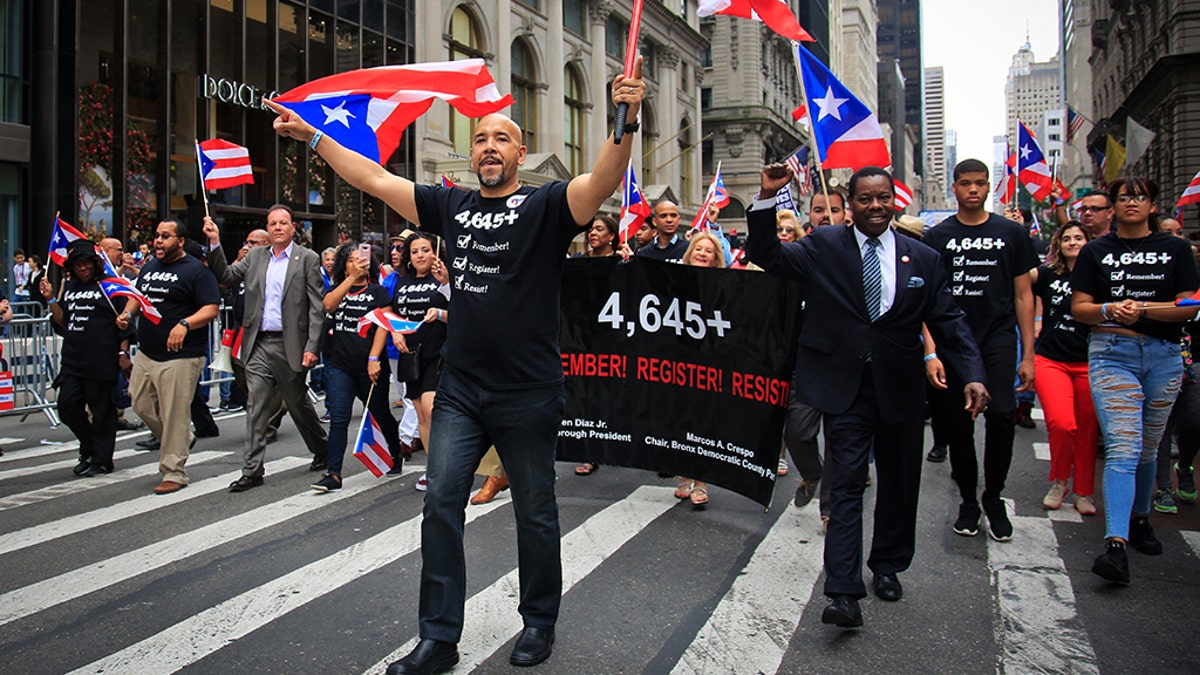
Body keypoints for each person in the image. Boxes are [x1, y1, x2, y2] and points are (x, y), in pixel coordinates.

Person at [264, 57, 646, 672]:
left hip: (529, 390)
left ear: (521, 154)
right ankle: (439, 638)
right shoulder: (451, 206)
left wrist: (625, 117)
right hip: (462, 389)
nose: (489, 147)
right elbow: (372, 177)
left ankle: (538, 622)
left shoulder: (548, 206)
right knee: (441, 501)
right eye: (480, 139)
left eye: (502, 139)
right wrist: (315, 137)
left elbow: (601, 181)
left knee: (535, 510)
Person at [746, 163, 988, 629]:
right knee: (848, 484)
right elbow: (768, 254)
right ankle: (842, 592)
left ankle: (888, 565)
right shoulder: (823, 245)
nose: (875, 206)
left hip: (900, 388)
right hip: (843, 387)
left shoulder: (923, 258)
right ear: (850, 205)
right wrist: (767, 197)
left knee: (899, 483)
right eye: (864, 199)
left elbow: (950, 320)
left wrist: (973, 373)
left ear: (894, 201)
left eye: (882, 198)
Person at [1070, 176, 1200, 584]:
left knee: (1148, 446)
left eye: (1140, 197)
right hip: (1112, 354)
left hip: (1164, 356)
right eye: (1124, 197)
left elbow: (1190, 306)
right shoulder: (1095, 252)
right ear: (1113, 207)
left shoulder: (1176, 249)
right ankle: (1115, 545)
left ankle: (1140, 518)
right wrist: (1110, 310)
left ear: (1152, 205)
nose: (1132, 203)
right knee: (1124, 447)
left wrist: (1142, 309)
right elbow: (1080, 308)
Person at [922, 159, 1038, 542]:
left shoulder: (1011, 233)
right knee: (957, 426)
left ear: (989, 188)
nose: (973, 190)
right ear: (954, 188)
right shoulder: (937, 237)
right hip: (952, 341)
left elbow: (1024, 295)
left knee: (1003, 414)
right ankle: (969, 500)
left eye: (980, 184)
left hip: (998, 338)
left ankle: (993, 496)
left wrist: (1028, 355)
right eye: (966, 183)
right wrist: (932, 351)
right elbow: (924, 299)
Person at [203, 207, 330, 492]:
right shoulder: (256, 256)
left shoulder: (307, 259)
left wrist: (312, 347)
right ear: (267, 228)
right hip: (258, 342)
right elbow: (226, 274)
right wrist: (214, 242)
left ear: (293, 227)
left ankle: (321, 447)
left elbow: (316, 308)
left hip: (290, 345)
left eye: (283, 223)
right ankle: (252, 470)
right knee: (256, 404)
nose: (278, 228)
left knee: (297, 403)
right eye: (272, 223)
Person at [117, 220, 220, 494]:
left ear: (181, 241)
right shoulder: (150, 266)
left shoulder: (197, 271)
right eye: (156, 236)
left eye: (165, 236)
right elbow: (137, 296)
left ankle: (174, 471)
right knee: (139, 404)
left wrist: (185, 324)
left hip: (180, 355)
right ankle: (182, 438)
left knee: (175, 414)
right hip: (147, 353)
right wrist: (127, 314)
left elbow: (211, 308)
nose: (158, 241)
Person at [310, 244, 405, 493]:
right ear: (344, 266)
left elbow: (384, 326)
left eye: (360, 260)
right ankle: (333, 473)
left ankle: (395, 453)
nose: (356, 264)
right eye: (350, 261)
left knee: (379, 412)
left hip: (370, 366)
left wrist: (374, 359)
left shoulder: (378, 292)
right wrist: (349, 279)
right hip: (341, 365)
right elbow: (328, 305)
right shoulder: (337, 290)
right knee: (339, 418)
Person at [39, 240, 134, 477]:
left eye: (86, 263)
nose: (83, 269)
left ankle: (102, 459)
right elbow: (62, 320)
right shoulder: (70, 287)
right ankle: (89, 445)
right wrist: (51, 299)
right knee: (67, 406)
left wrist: (123, 352)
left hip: (101, 359)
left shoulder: (109, 285)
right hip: (73, 359)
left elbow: (125, 319)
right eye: (78, 265)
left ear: (95, 263)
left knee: (102, 410)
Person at [1030, 222, 1098, 514]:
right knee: (1061, 423)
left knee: (1087, 430)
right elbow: (1019, 274)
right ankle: (1059, 481)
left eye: (1078, 238)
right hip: (1050, 359)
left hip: (1092, 361)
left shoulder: (1101, 276)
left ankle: (1083, 492)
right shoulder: (1047, 274)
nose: (1072, 242)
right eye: (1067, 238)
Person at [385, 231, 450, 488]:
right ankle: (432, 469)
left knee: (432, 408)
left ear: (434, 252)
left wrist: (441, 312)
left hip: (439, 353)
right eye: (414, 251)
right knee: (421, 415)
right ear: (408, 257)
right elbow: (389, 311)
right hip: (410, 356)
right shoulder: (401, 282)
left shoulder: (444, 278)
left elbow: (462, 311)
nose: (420, 255)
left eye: (425, 250)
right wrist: (394, 330)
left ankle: (446, 467)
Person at [673, 232, 726, 507]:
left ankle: (702, 481)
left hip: (710, 363)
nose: (703, 253)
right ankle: (684, 475)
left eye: (709, 250)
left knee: (704, 421)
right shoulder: (674, 280)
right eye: (698, 249)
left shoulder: (726, 285)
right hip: (679, 361)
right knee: (682, 419)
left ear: (716, 258)